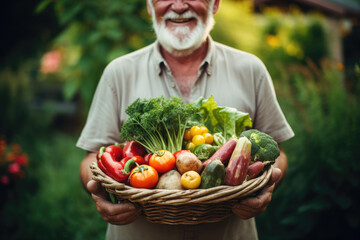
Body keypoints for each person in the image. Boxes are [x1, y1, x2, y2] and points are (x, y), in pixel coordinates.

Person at [77, 0, 295, 239]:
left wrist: (267, 186)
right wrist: (98, 194)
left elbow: (277, 154)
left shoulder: (251, 69)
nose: (179, 6)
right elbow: (92, 158)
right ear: (150, 7)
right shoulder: (118, 73)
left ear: (215, 4)